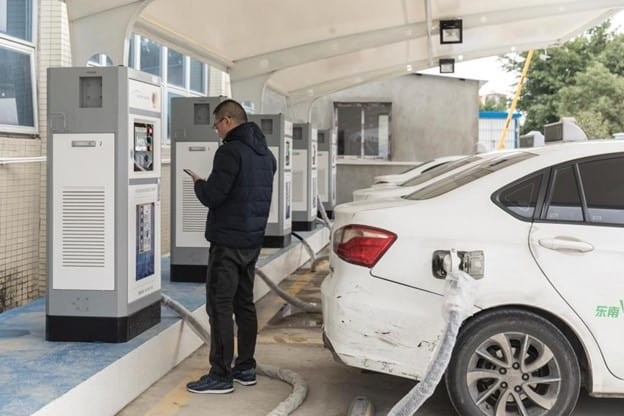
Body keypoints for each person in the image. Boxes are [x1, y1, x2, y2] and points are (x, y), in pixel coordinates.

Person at [184, 99, 276, 394]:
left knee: (219, 305)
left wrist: (199, 183)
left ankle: (221, 375)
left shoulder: (230, 152)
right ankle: (245, 367)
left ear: (227, 120)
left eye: (216, 125)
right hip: (251, 241)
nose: (216, 131)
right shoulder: (266, 155)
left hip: (227, 243)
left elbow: (214, 196)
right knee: (244, 304)